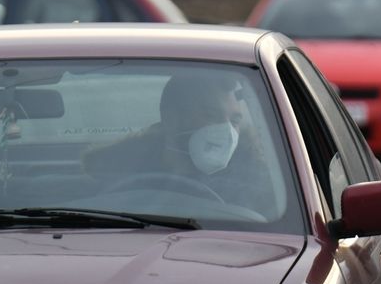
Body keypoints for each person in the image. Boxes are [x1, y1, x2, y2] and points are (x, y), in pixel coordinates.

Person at [85, 74, 268, 211]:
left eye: (234, 121)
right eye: (211, 115)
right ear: (171, 119)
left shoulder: (258, 188)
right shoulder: (113, 176)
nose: (227, 131)